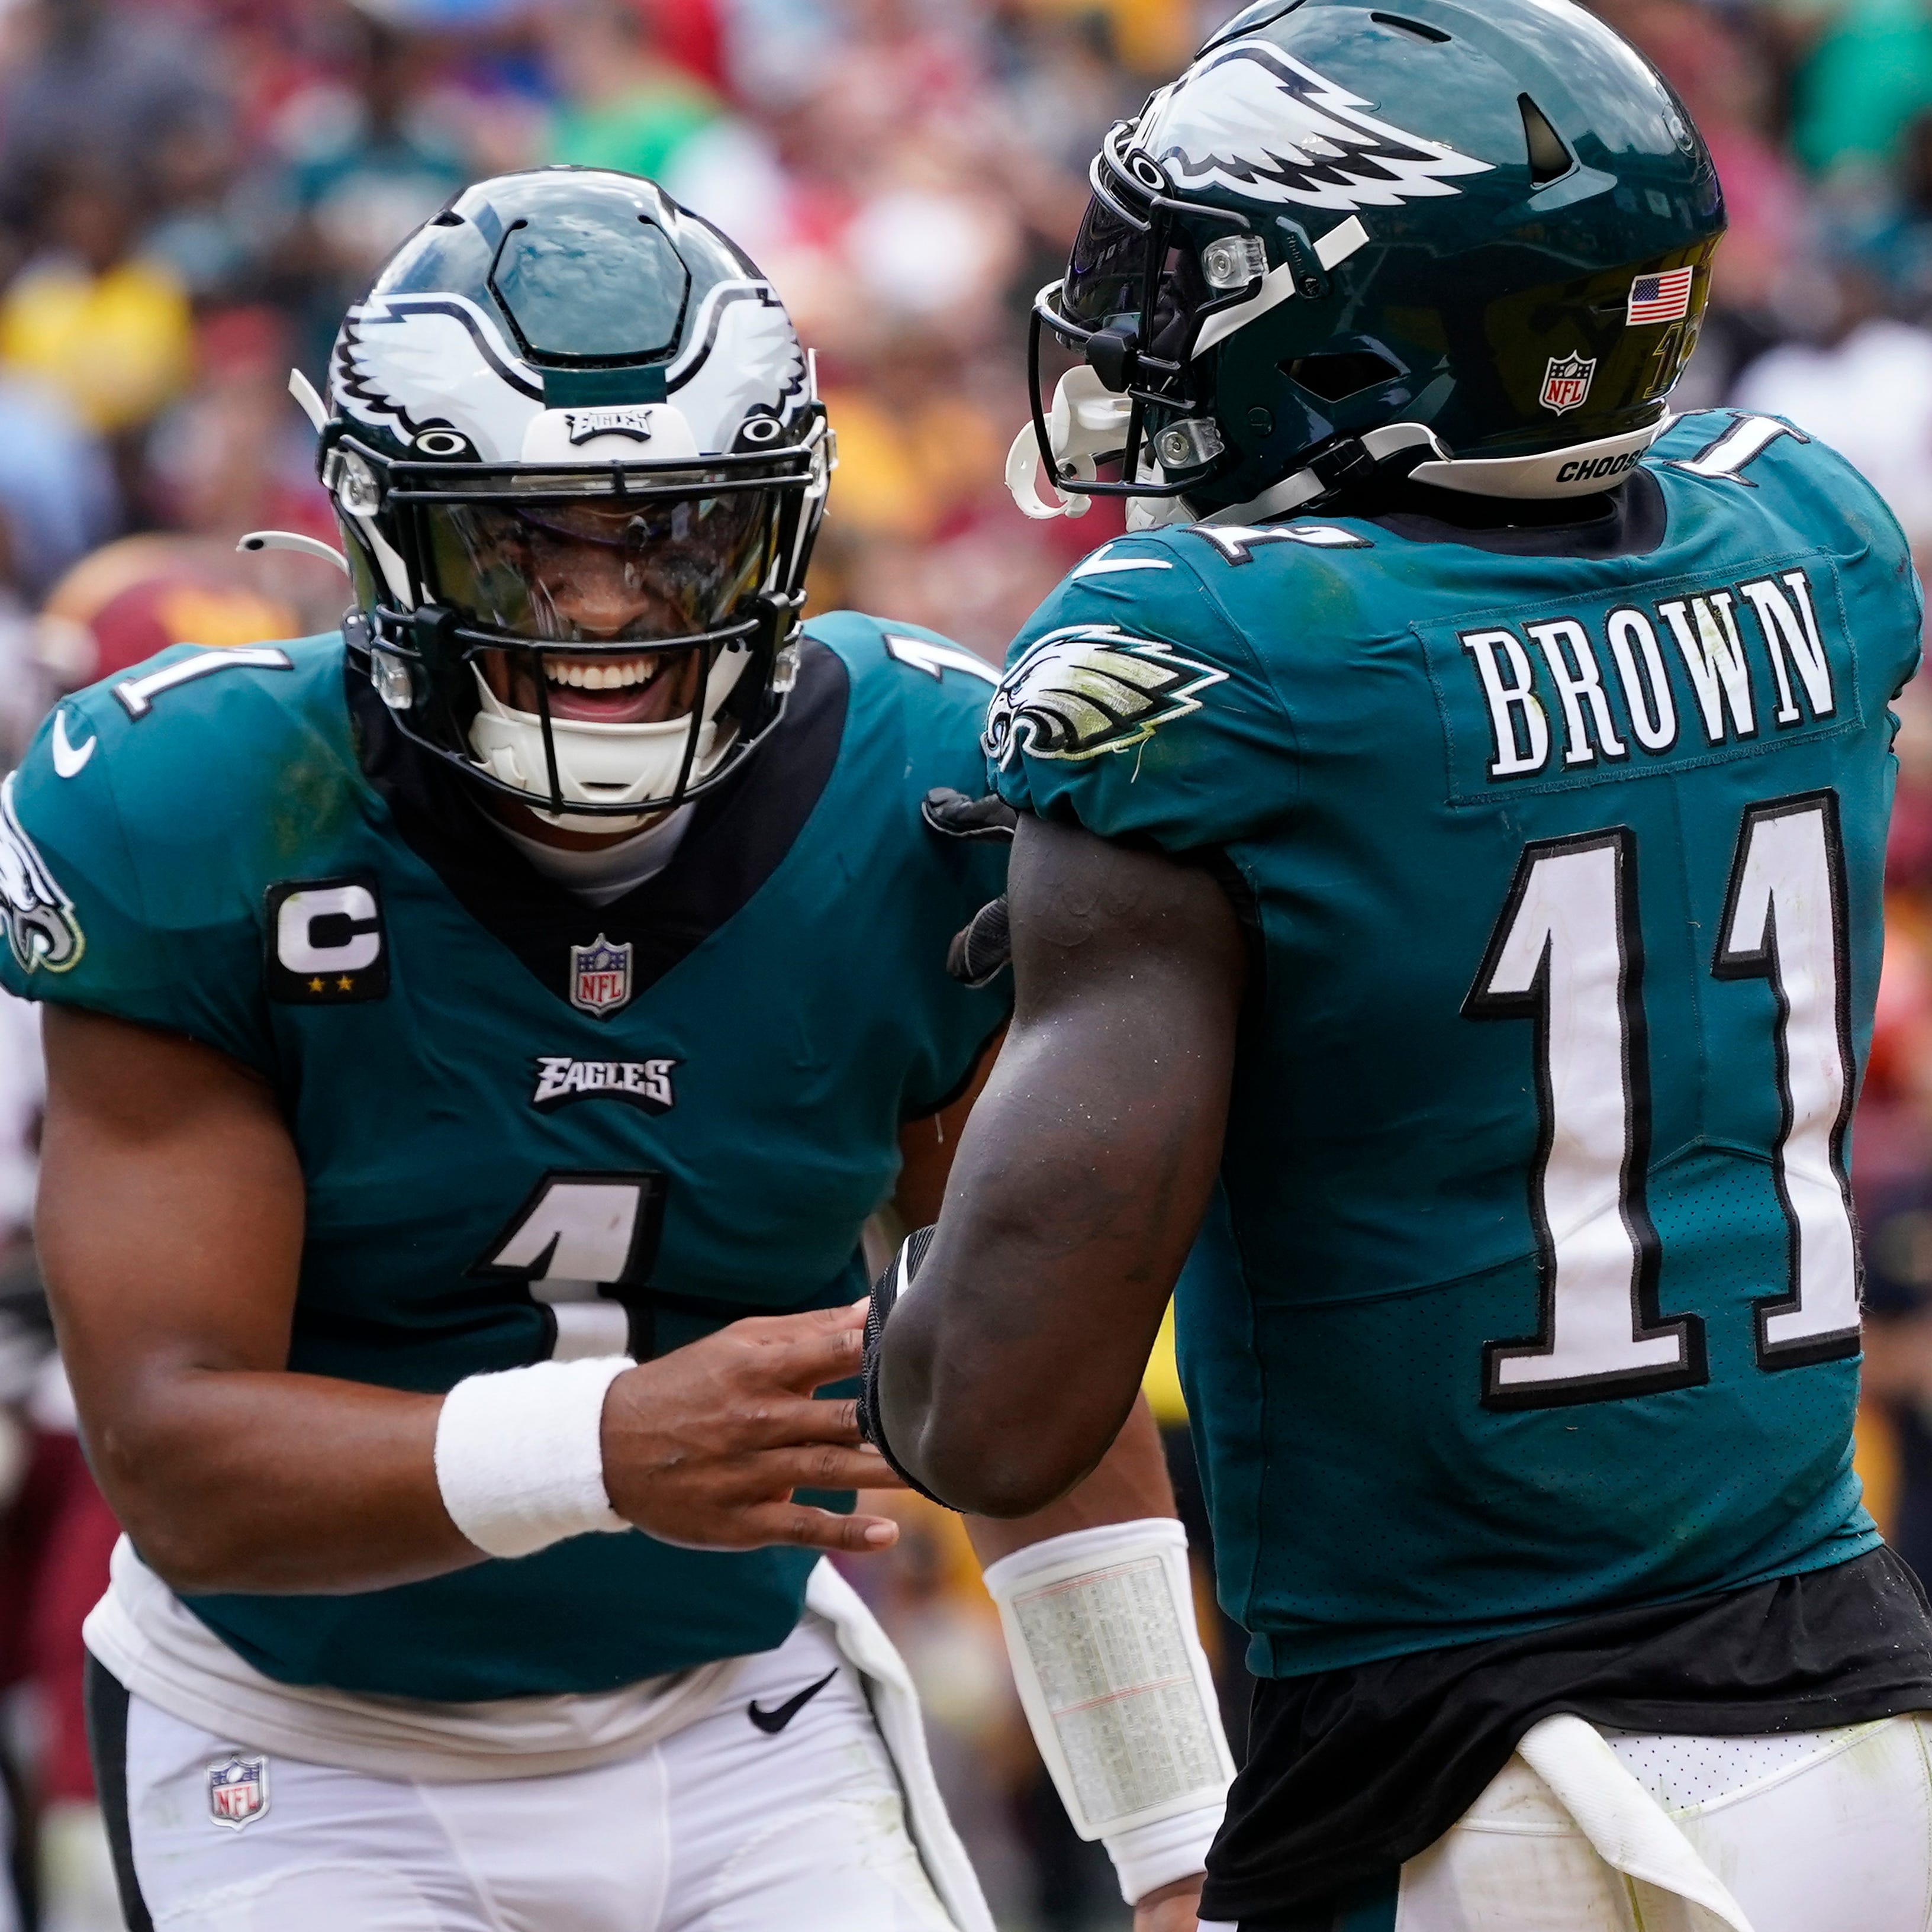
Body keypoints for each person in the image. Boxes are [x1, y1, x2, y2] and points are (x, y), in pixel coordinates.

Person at [0, 168, 1226, 1932]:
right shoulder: (213, 812)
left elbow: (1035, 1364)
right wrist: (608, 1446)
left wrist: (1180, 1840)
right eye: (528, 539)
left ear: (782, 530)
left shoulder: (932, 795)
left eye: (667, 535)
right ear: (385, 531)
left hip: (746, 1719)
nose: (596, 611)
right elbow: (181, 1461)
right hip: (300, 1750)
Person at [864, 2, 1932, 1926]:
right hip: (1857, 1719)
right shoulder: (1816, 535)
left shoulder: (1222, 653)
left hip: (1462, 1785)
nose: (1150, 334)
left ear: (1370, 333)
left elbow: (992, 1414)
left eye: (1203, 285)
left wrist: (893, 1156)